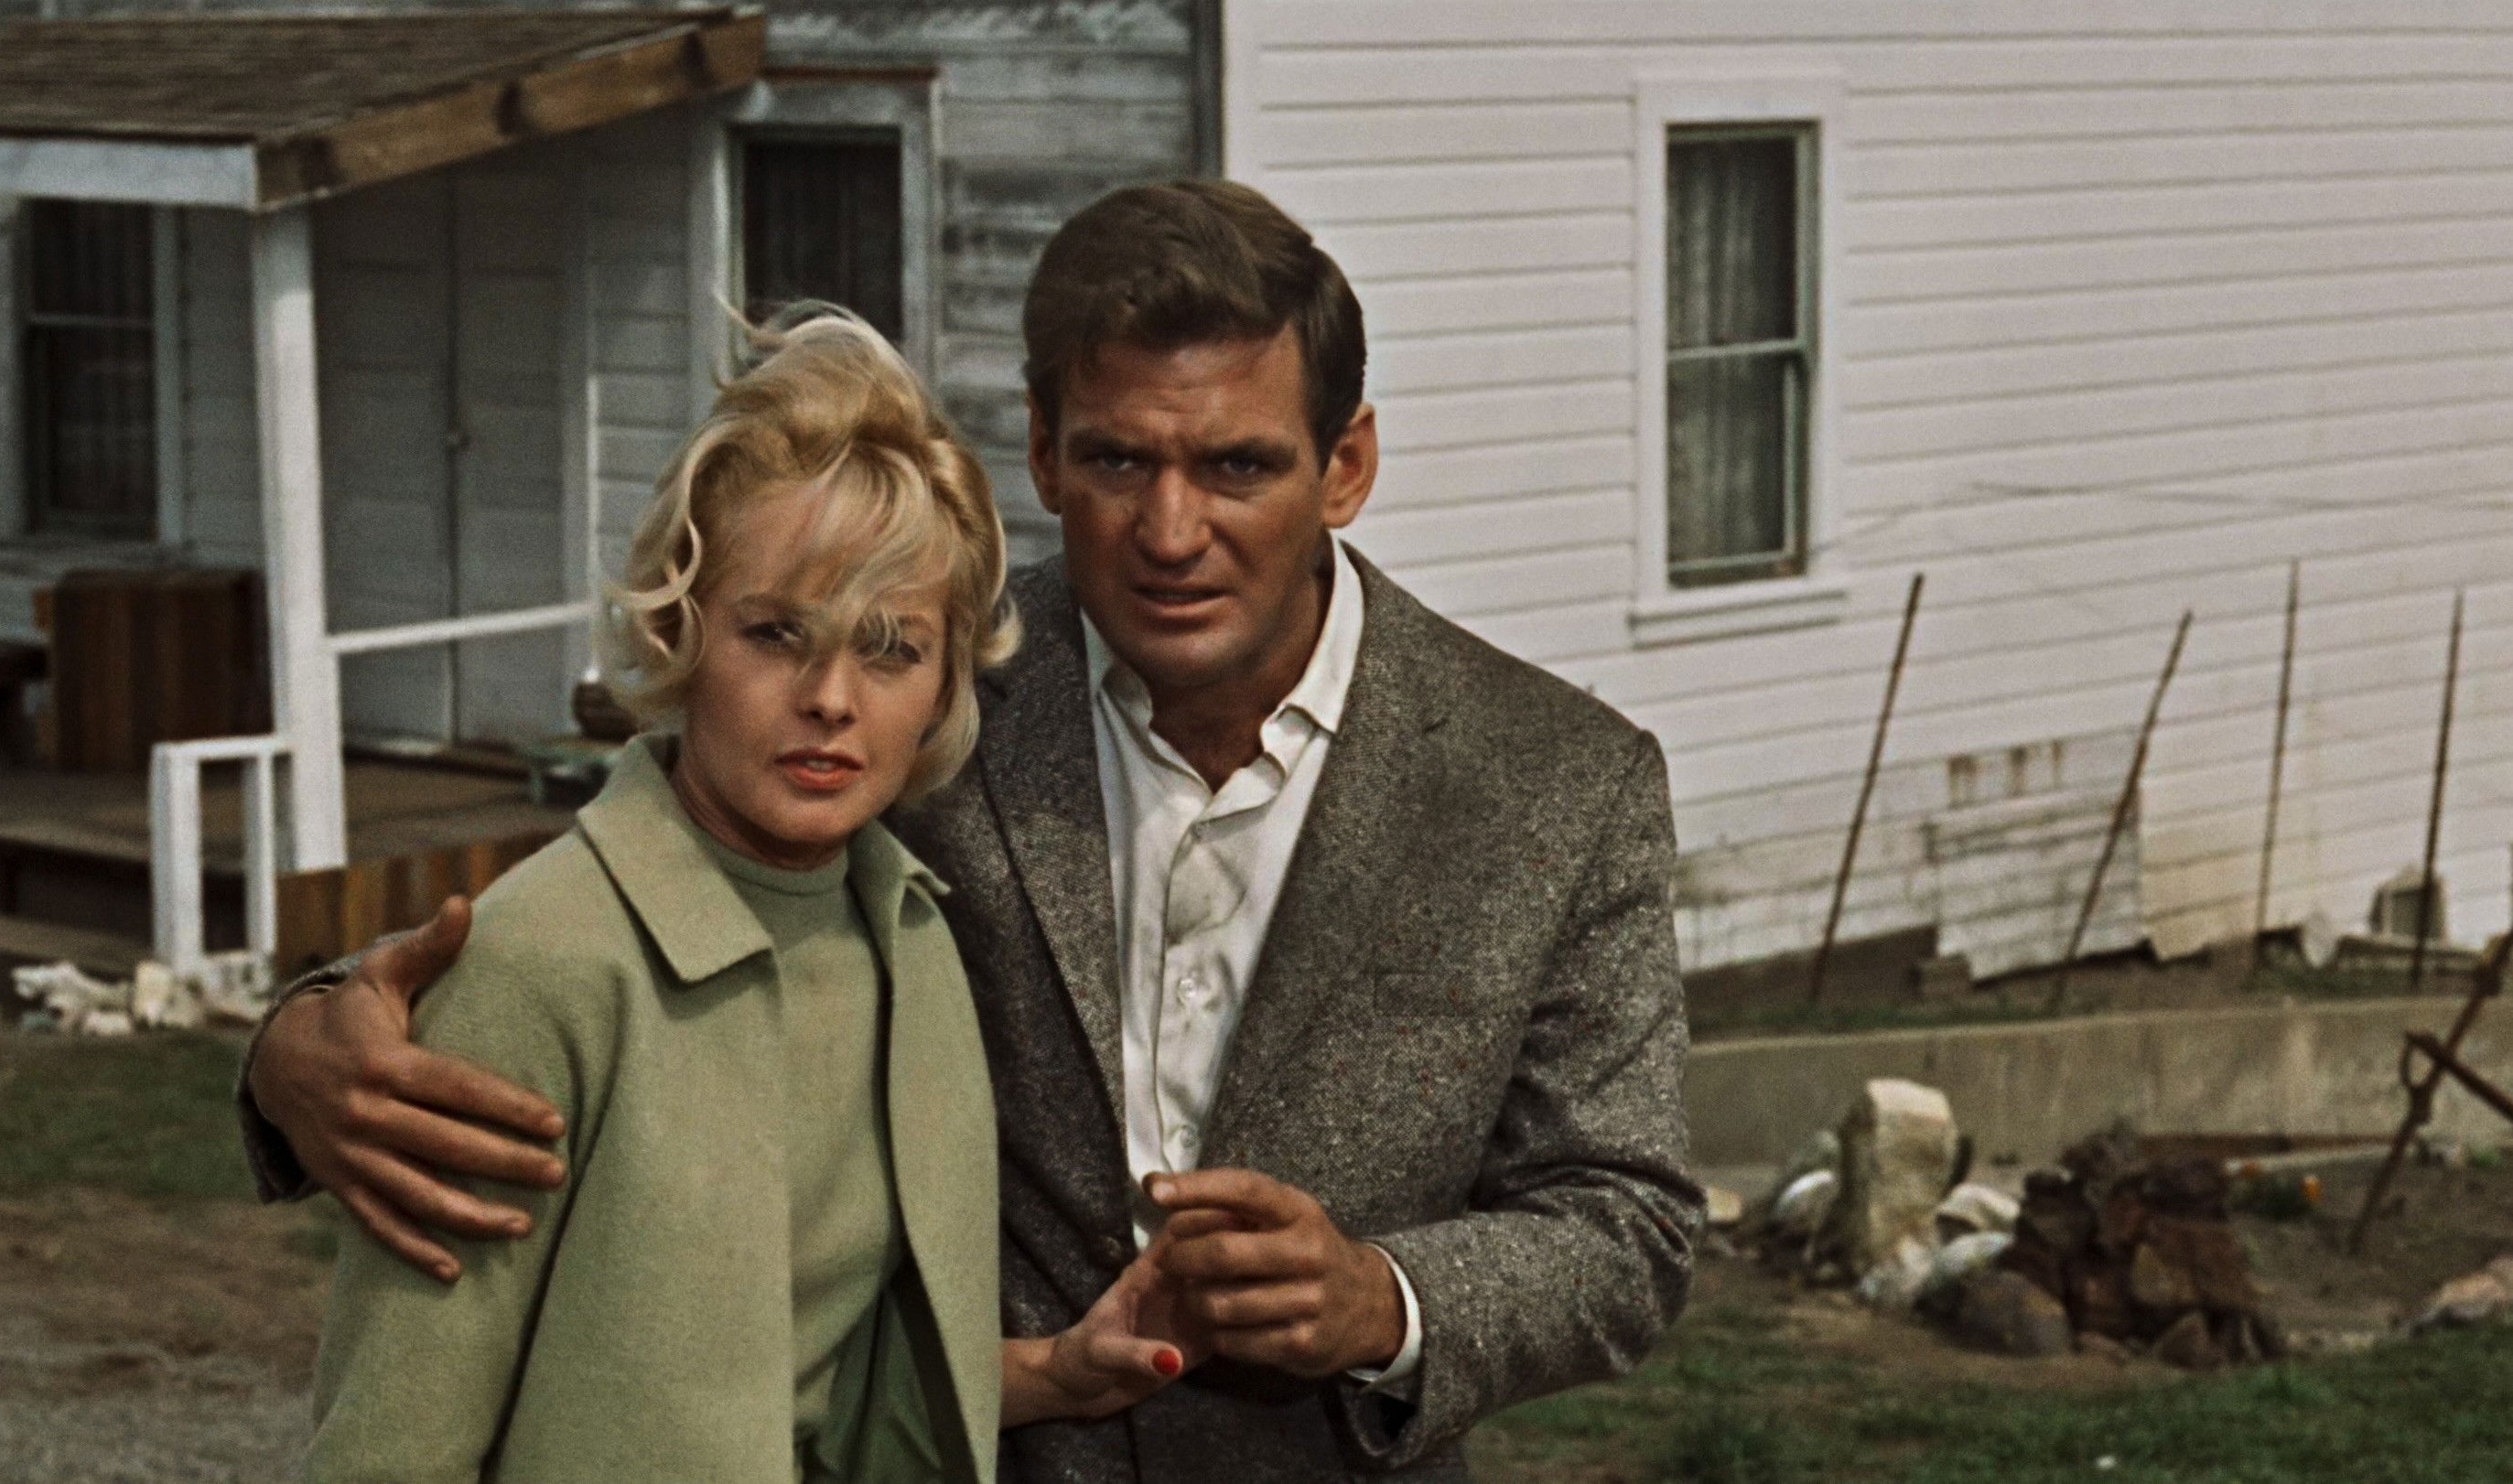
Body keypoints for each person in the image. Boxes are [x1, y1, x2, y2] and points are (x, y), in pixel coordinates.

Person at [245, 181, 1702, 1482]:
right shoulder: (916, 674)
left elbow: (1622, 1218)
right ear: (1045, 452)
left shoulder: (1556, 785)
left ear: (1345, 464)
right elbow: (636, 887)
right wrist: (292, 1046)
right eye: (1117, 461)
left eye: (1235, 466)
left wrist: (1383, 1299)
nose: (1169, 529)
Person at [297, 311, 1195, 1484]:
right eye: (777, 633)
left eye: (890, 647)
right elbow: (386, 1447)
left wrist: (1048, 1374)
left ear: (944, 685)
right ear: (680, 631)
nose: (832, 697)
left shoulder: (909, 938)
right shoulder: (541, 962)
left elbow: (806, 1401)